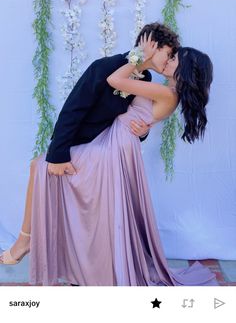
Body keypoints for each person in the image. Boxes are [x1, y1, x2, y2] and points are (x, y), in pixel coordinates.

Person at [0, 24, 217, 286]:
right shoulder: (134, 76)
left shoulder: (164, 90)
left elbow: (118, 87)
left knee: (40, 166)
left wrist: (137, 56)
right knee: (45, 168)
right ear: (153, 47)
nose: (169, 60)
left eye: (174, 59)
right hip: (112, 144)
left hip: (115, 149)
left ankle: (28, 240)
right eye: (169, 54)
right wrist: (143, 125)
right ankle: (49, 248)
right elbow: (119, 112)